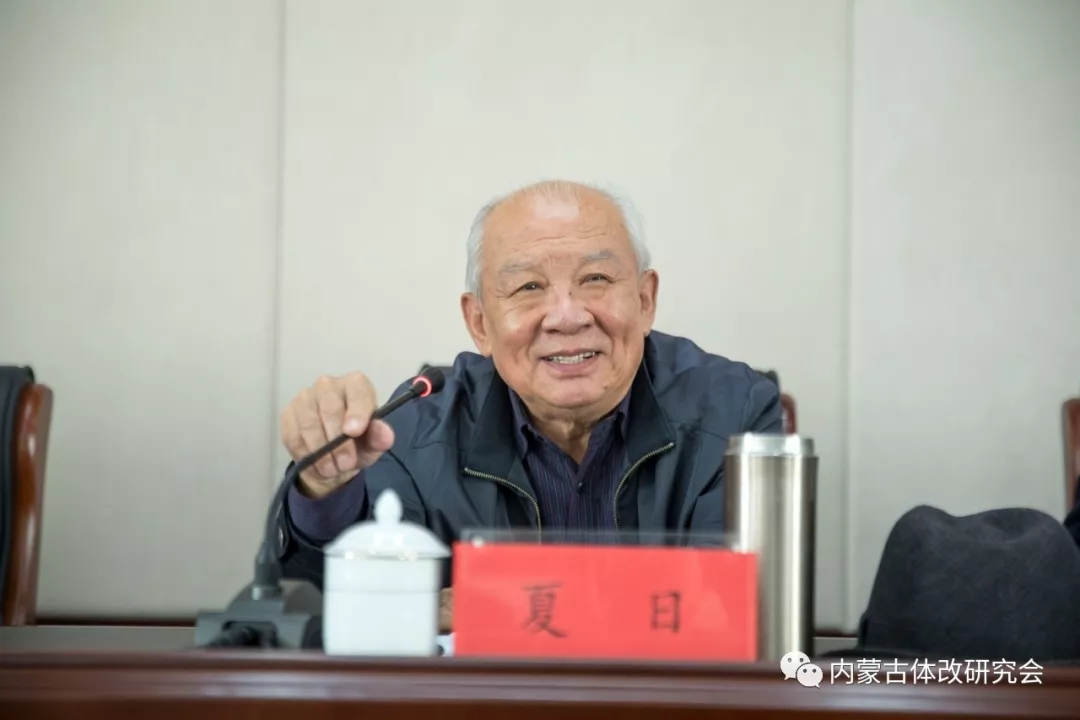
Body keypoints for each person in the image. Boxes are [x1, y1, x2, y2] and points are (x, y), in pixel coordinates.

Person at [277, 180, 782, 588]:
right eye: (528, 287)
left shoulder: (734, 413)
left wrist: (487, 604)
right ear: (479, 324)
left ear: (645, 301)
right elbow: (350, 593)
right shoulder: (415, 427)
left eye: (596, 279)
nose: (566, 316)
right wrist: (324, 485)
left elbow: (728, 605)